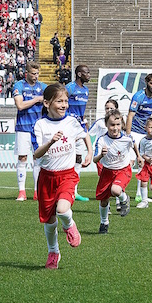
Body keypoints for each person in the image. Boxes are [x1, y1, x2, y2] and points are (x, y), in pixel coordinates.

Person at [33, 84, 93, 270]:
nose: (64, 105)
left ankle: (70, 225)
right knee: (49, 221)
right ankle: (54, 252)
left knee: (62, 209)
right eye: (59, 101)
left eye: (66, 101)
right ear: (46, 103)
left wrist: (90, 152)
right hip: (46, 178)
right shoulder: (40, 125)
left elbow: (85, 135)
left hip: (67, 175)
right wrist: (51, 141)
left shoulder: (72, 121)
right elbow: (36, 154)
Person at [93, 110, 142, 233]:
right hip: (107, 172)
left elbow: (134, 144)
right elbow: (94, 159)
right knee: (104, 201)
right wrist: (101, 156)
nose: (115, 128)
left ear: (122, 125)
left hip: (123, 170)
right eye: (112, 125)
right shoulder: (102, 140)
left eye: (118, 125)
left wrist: (138, 156)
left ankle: (124, 199)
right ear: (106, 124)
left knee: (115, 190)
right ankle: (104, 222)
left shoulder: (127, 138)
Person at [13, 62, 46, 201]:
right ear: (26, 73)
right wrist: (37, 99)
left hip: (38, 128)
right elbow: (20, 105)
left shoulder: (43, 86)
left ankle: (37, 191)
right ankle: (22, 191)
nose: (36, 76)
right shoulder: (19, 85)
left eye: (37, 73)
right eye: (33, 73)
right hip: (23, 127)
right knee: (22, 158)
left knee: (38, 159)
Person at [126, 73, 152, 201]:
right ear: (147, 83)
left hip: (146, 134)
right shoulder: (138, 96)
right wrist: (128, 134)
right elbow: (130, 115)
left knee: (143, 164)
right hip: (135, 132)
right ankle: (121, 191)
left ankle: (139, 194)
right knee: (129, 162)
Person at [66, 65, 91, 201]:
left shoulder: (86, 90)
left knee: (78, 158)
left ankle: (74, 192)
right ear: (79, 74)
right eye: (87, 73)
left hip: (79, 127)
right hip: (68, 127)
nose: (89, 75)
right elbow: (60, 101)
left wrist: (84, 120)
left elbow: (81, 111)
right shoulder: (70, 87)